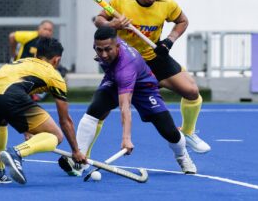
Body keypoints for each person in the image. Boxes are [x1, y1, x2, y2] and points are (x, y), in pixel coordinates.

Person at [94, 0, 210, 153]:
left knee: (191, 91)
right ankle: (82, 157)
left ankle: (187, 133)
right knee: (101, 110)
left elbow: (183, 21)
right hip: (124, 61)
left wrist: (170, 41)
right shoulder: (121, 0)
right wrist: (113, 24)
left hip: (153, 56)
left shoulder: (167, 4)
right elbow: (99, 20)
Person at [58, 26, 196, 176]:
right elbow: (102, 23)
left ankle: (182, 156)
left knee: (169, 132)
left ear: (117, 45)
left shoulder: (126, 67)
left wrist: (126, 139)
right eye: (99, 50)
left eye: (108, 50)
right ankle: (79, 159)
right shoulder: (103, 44)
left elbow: (125, 106)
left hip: (143, 87)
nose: (103, 54)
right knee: (95, 110)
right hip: (114, 80)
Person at [0, 38, 86, 185]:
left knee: (0, 122)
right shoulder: (55, 76)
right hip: (11, 96)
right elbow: (65, 120)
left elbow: (20, 93)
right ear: (57, 60)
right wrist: (76, 151)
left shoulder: (22, 62)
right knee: (56, 135)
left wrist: (26, 130)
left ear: (36, 54)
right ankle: (17, 153)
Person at [9, 20, 68, 101]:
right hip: (22, 69)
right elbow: (12, 36)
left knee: (60, 73)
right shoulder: (29, 36)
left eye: (50, 30)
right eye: (45, 29)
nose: (47, 32)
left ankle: (36, 96)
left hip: (38, 70)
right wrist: (13, 53)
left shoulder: (51, 44)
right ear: (39, 29)